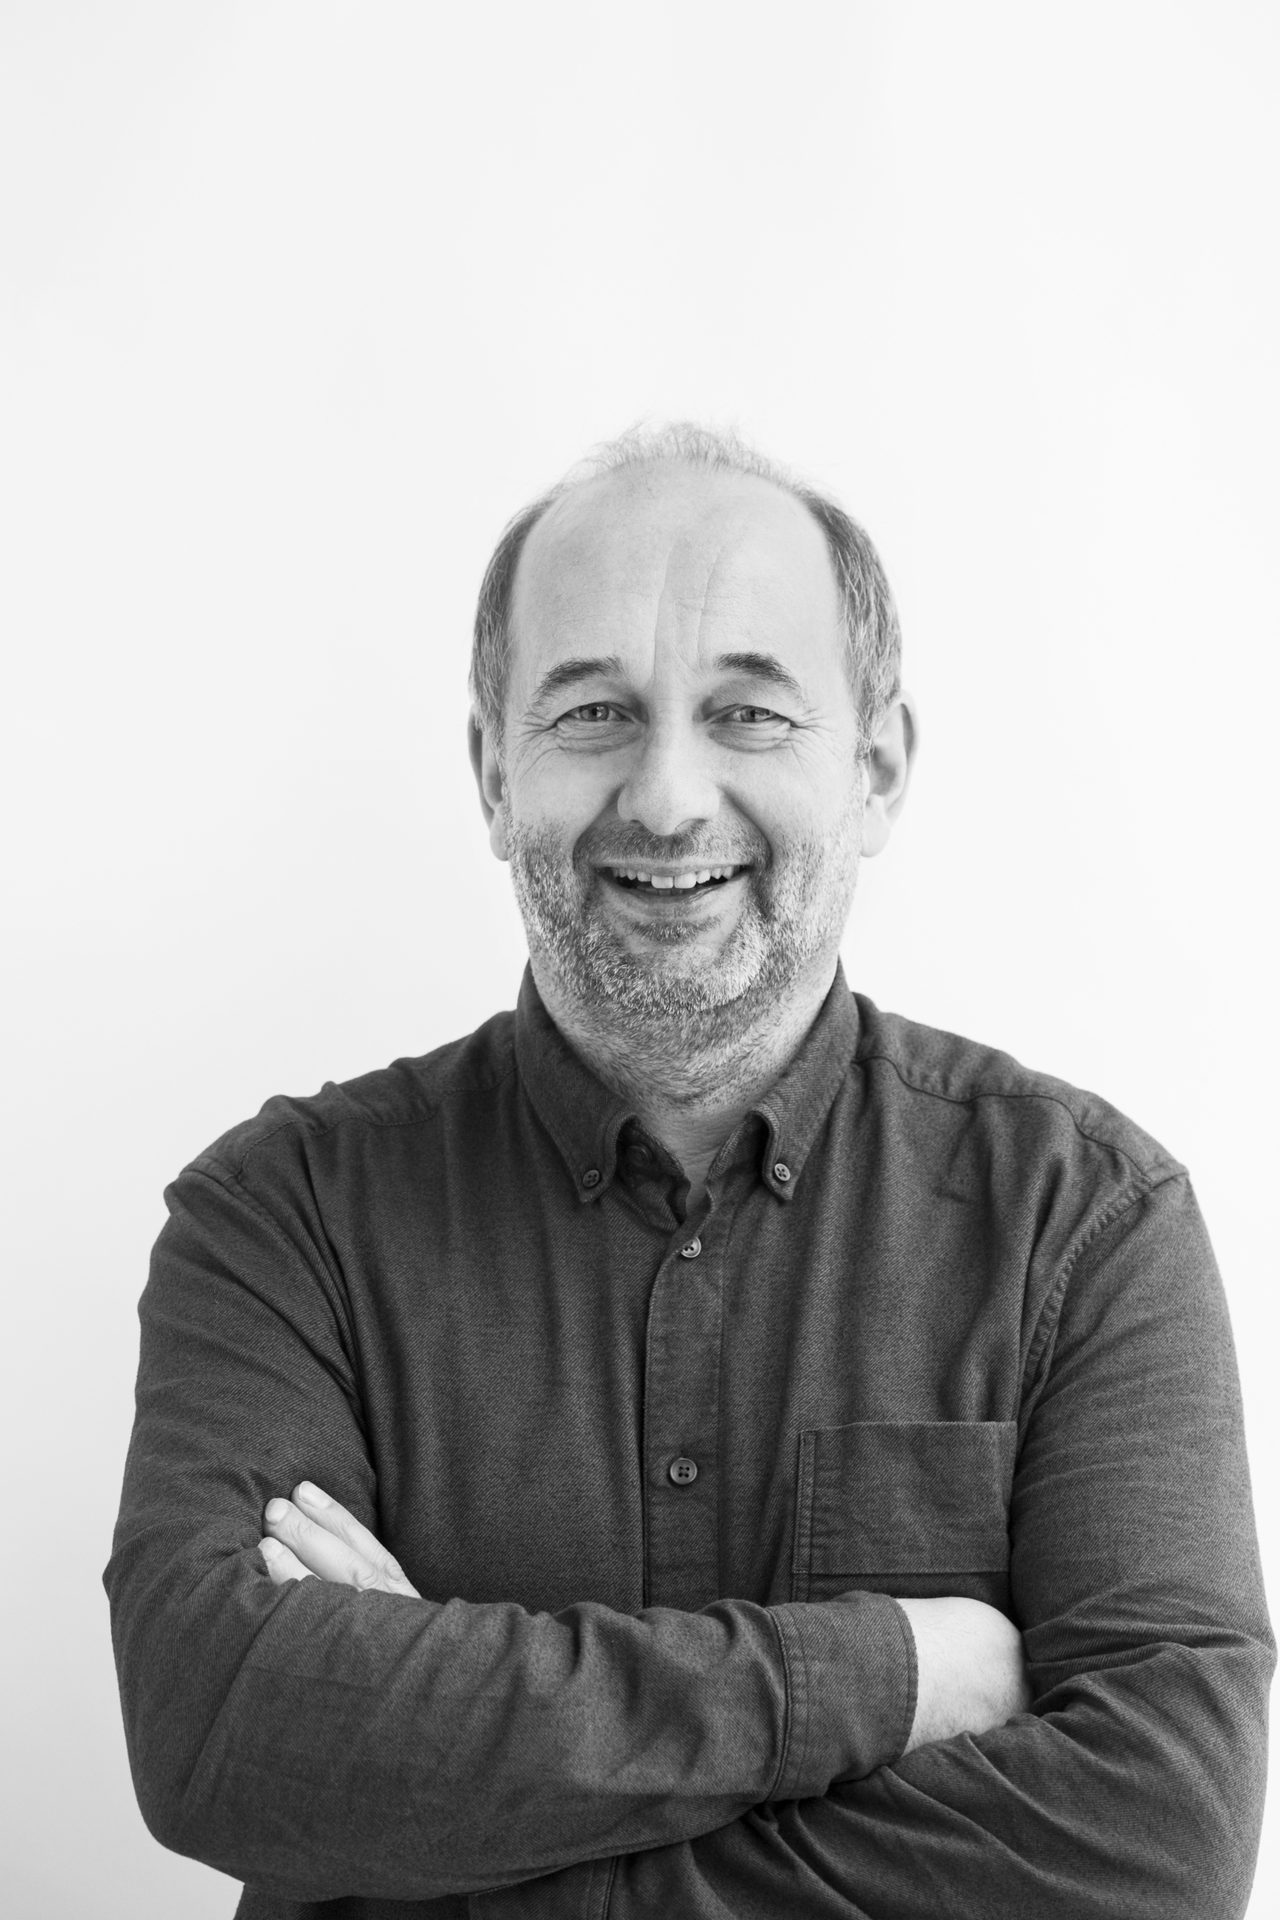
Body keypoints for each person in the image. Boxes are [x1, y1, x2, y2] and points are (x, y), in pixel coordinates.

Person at [106, 424, 1273, 1920]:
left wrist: (448, 1814)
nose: (666, 795)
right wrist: (893, 1671)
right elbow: (221, 1738)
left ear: (879, 771)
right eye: (593, 710)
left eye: (748, 713)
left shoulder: (1088, 1223)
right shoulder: (281, 1222)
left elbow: (1158, 1846)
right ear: (489, 769)